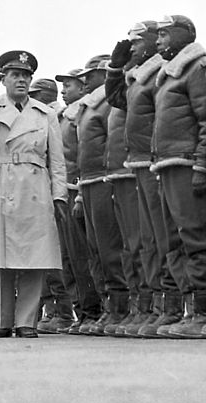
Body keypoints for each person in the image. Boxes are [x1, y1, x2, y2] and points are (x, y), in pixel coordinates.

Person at [0, 50, 68, 338]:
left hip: (34, 187)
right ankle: (3, 322)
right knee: (1, 256)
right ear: (3, 79)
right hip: (0, 184)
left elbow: (57, 160)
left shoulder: (45, 114)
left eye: (26, 76)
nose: (22, 80)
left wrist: (60, 196)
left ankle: (27, 321)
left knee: (34, 257)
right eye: (15, 75)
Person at [149, 14, 206, 338]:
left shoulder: (195, 69)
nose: (159, 41)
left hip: (184, 163)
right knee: (173, 242)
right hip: (166, 165)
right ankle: (190, 308)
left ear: (183, 36)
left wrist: (200, 165)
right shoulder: (166, 76)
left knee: (195, 237)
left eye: (165, 34)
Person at [105, 21, 167, 336]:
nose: (132, 48)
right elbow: (117, 99)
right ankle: (148, 306)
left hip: (152, 161)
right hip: (138, 163)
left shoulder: (160, 74)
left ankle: (162, 306)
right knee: (141, 242)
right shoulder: (137, 78)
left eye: (137, 42)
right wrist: (115, 68)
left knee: (157, 239)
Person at [73, 53, 129, 333]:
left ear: (104, 74)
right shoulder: (87, 107)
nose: (83, 81)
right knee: (95, 251)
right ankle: (109, 307)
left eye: (89, 75)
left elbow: (113, 142)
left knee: (111, 249)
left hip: (105, 180)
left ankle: (121, 308)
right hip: (90, 182)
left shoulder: (107, 102)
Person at [56, 66, 103, 332]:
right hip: (66, 189)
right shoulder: (65, 118)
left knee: (85, 256)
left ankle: (93, 311)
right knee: (71, 258)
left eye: (70, 85)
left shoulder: (78, 117)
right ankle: (83, 312)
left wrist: (79, 193)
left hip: (78, 188)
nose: (65, 90)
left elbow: (85, 156)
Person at [29, 77, 73, 334]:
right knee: (43, 257)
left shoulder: (57, 118)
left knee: (60, 256)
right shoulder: (40, 120)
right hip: (39, 195)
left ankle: (63, 312)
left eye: (36, 93)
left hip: (56, 193)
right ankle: (52, 311)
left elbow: (59, 161)